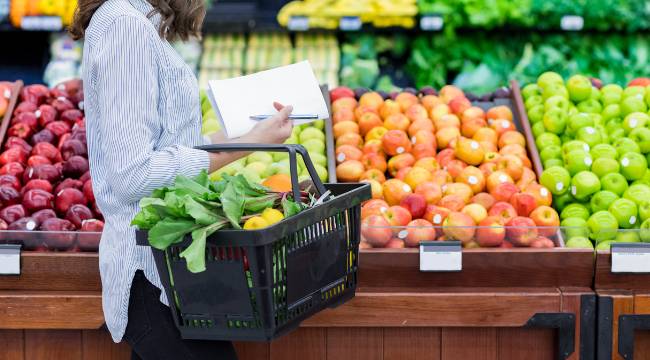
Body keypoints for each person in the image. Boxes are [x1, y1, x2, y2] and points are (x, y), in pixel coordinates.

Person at [70, 1, 293, 359]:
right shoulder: (125, 27)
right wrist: (241, 150)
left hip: (172, 274)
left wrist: (250, 136)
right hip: (150, 276)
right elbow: (134, 174)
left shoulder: (137, 22)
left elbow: (170, 149)